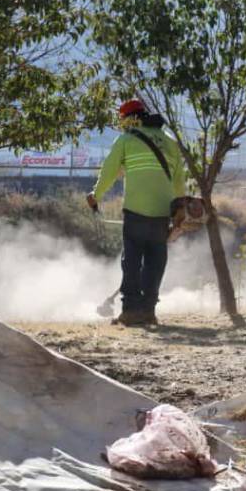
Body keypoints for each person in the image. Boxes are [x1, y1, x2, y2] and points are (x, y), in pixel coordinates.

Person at [87, 99, 186, 325]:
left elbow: (110, 171)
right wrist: (179, 209)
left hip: (136, 209)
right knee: (155, 260)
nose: (122, 125)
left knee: (131, 260)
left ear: (131, 118)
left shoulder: (126, 140)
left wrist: (95, 195)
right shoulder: (170, 143)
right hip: (163, 212)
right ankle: (148, 310)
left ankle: (131, 310)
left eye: (123, 120)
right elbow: (179, 181)